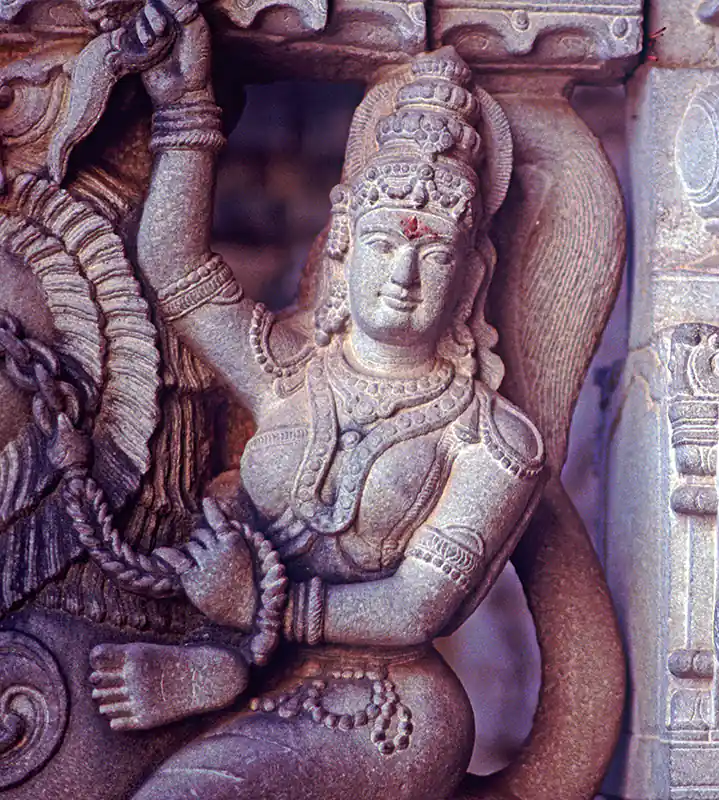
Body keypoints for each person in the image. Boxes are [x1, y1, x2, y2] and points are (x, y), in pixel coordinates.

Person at [86, 5, 543, 797]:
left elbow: (413, 610)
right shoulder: (287, 368)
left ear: (471, 278)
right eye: (383, 243)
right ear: (340, 248)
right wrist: (187, 103)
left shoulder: (492, 441)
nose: (404, 273)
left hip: (381, 705)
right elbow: (171, 263)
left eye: (433, 251)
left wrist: (263, 605)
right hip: (227, 654)